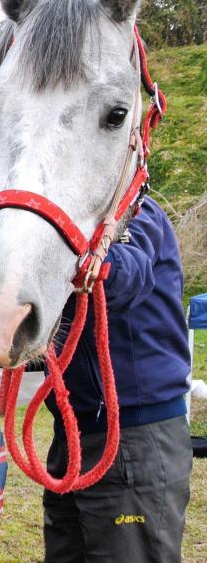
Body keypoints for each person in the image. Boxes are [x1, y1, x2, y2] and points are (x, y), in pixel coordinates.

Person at [42, 197, 192, 562]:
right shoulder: (61, 217)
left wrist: (67, 249)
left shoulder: (136, 212)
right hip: (76, 433)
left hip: (131, 436)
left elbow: (125, 276)